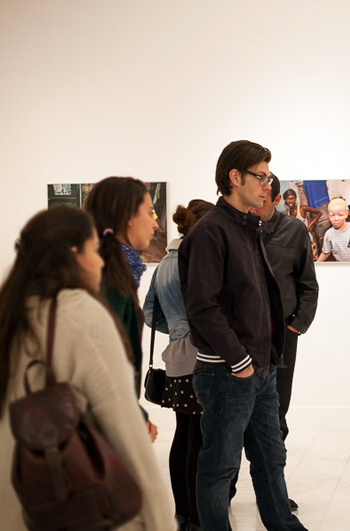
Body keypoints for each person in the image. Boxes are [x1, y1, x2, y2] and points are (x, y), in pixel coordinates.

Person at [0, 207, 175, 530]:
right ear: (73, 254)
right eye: (95, 251)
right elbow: (126, 431)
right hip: (67, 502)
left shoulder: (8, 311)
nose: (100, 261)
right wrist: (161, 521)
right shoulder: (80, 315)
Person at [179, 140, 306, 530]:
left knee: (271, 458)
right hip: (228, 372)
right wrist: (240, 361)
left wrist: (262, 358)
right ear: (234, 177)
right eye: (260, 176)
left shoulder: (248, 227)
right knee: (219, 466)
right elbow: (202, 306)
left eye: (268, 177)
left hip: (260, 368)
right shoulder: (211, 232)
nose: (267, 185)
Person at [251, 173, 319, 512]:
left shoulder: (294, 231)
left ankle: (275, 492)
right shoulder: (235, 229)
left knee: (276, 413)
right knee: (235, 416)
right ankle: (228, 487)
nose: (256, 200)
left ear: (276, 198)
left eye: (263, 195)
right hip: (242, 339)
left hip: (283, 340)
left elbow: (308, 284)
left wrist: (296, 327)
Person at [144, 199, 213, 531]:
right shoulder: (194, 260)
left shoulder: (164, 263)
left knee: (184, 432)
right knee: (198, 437)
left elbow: (149, 313)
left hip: (175, 354)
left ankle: (183, 513)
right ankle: (198, 517)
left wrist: (175, 329)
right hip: (199, 354)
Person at [84, 176, 160, 442]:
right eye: (149, 212)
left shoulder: (114, 271)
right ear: (128, 216)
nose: (156, 223)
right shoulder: (106, 280)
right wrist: (134, 416)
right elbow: (101, 365)